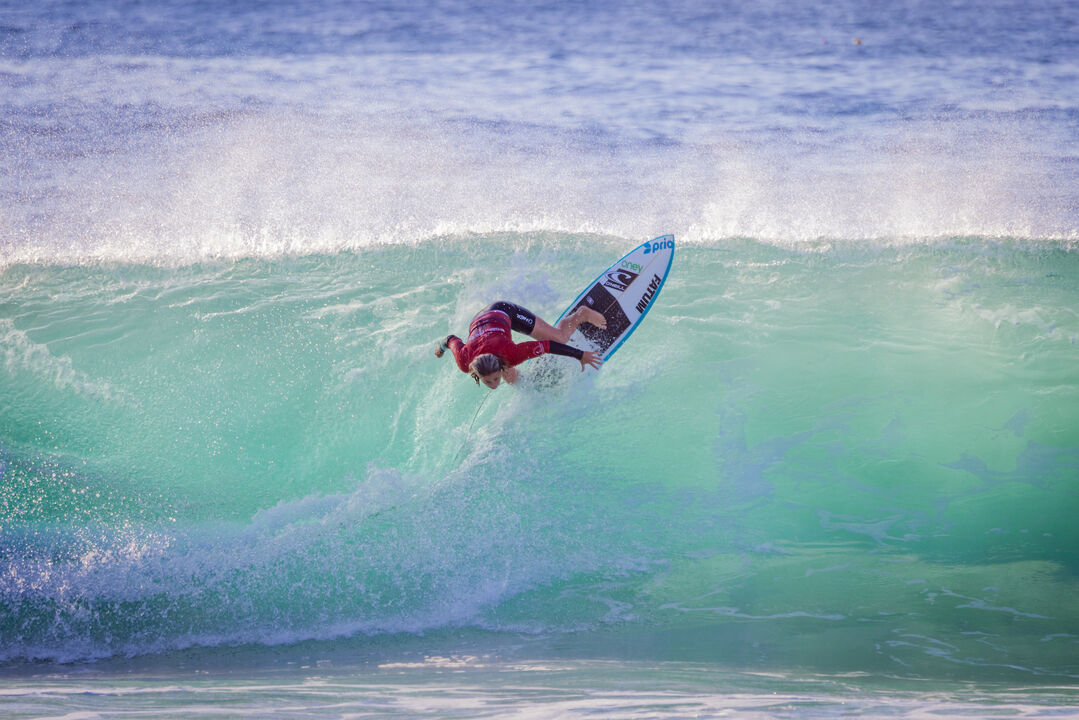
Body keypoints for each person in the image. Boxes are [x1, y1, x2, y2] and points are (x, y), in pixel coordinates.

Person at [434, 301, 605, 389]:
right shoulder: (464, 361)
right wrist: (440, 349)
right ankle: (533, 383)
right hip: (480, 320)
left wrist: (580, 355)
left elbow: (547, 346)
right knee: (511, 378)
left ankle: (581, 314)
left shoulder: (511, 353)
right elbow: (450, 339)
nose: (494, 385)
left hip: (503, 311)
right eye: (488, 382)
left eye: (494, 379)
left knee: (559, 338)